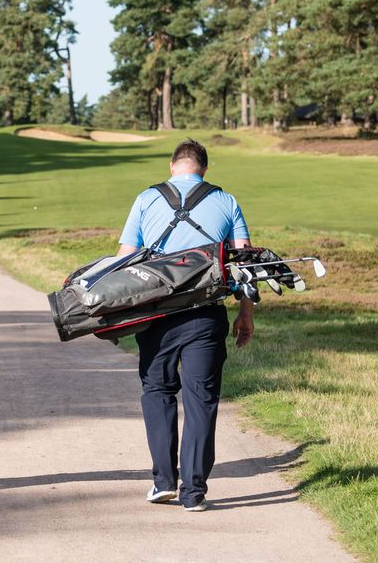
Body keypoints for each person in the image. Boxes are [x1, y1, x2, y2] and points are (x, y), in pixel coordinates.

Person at [115, 138, 254, 512]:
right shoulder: (226, 201)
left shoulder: (147, 199)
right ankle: (194, 492)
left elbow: (125, 259)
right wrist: (246, 312)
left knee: (157, 391)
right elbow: (244, 263)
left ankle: (163, 482)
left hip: (155, 314)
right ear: (204, 170)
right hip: (206, 316)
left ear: (172, 166)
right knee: (201, 400)